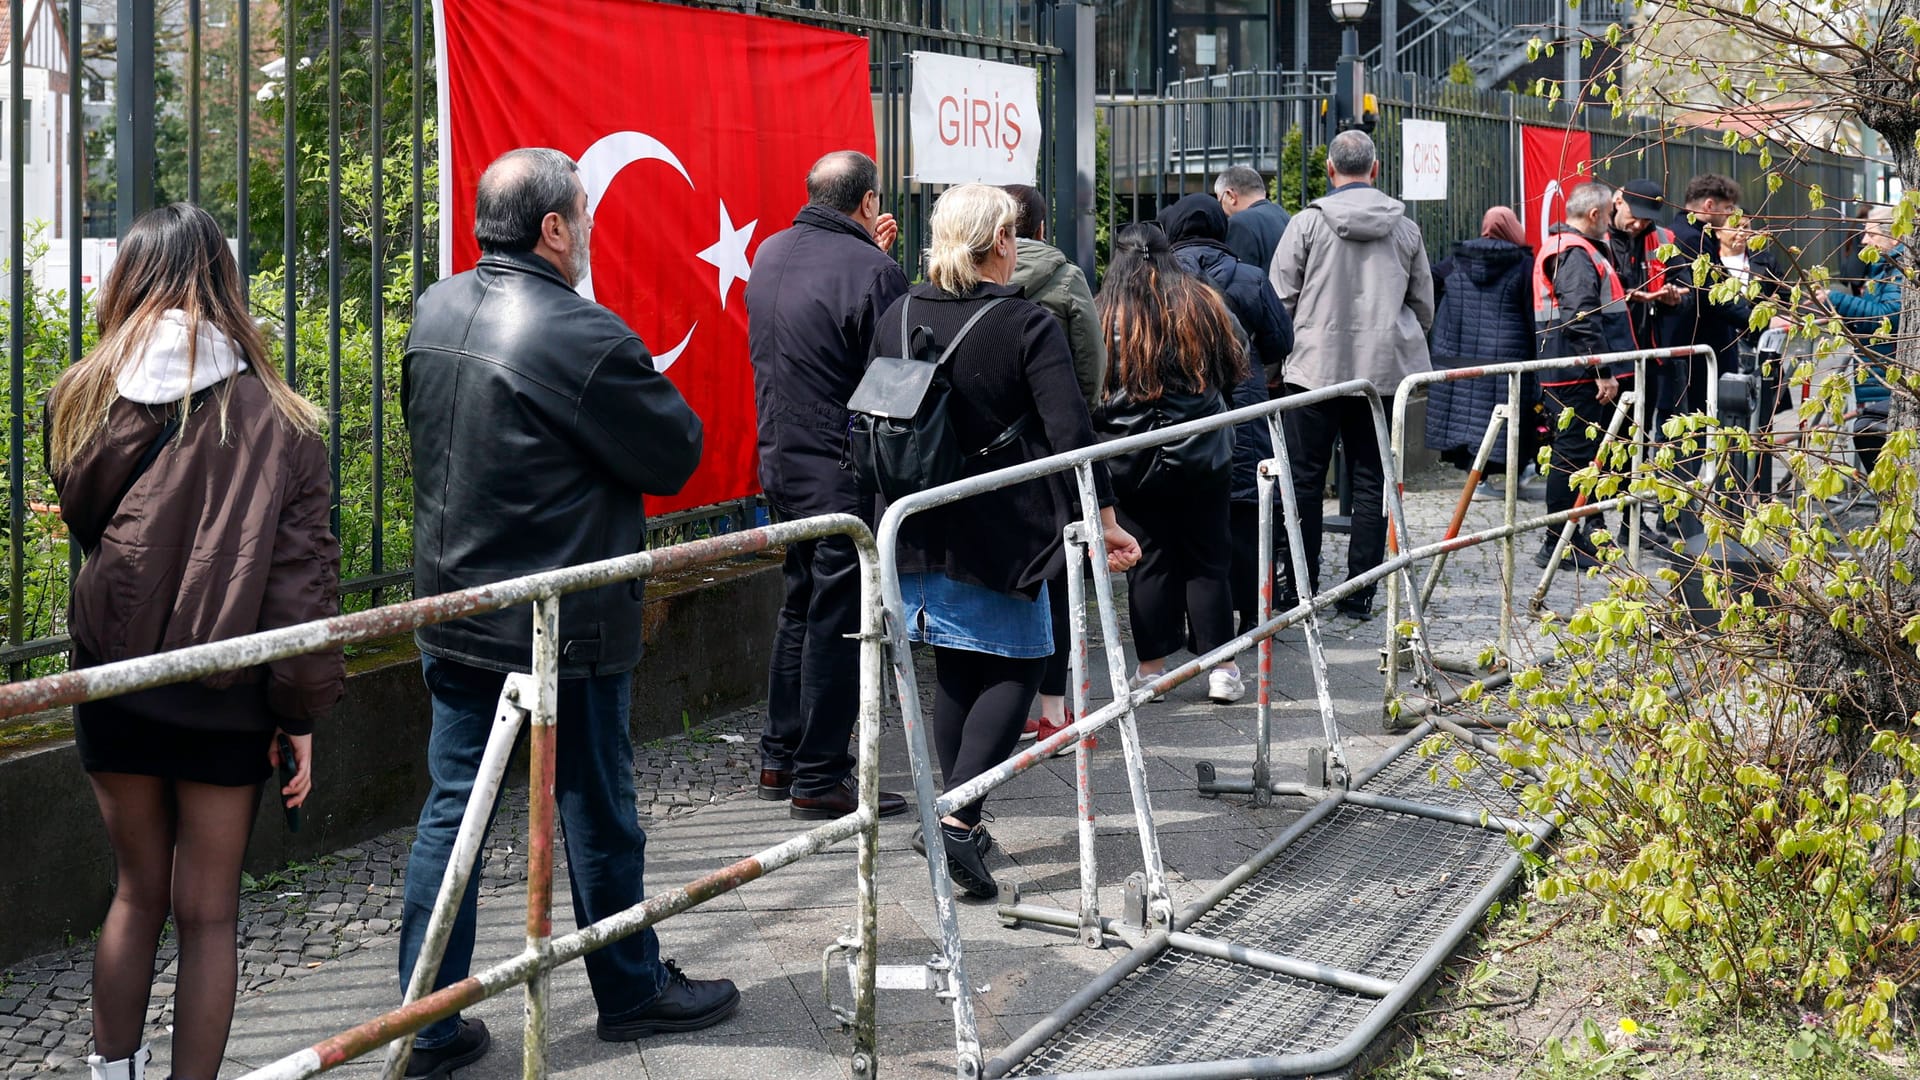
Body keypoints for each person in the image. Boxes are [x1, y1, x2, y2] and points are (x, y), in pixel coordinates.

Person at [399, 147, 730, 1073]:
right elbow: (676, 454)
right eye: (582, 216)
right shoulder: (582, 335)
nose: (588, 231)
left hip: (456, 606)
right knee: (596, 805)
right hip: (560, 619)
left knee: (453, 812)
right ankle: (629, 987)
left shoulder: (435, 308)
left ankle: (421, 1027)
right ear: (553, 228)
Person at [50, 204, 342, 1080]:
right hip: (228, 691)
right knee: (208, 914)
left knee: (134, 894)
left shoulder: (85, 396)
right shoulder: (282, 419)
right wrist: (300, 717)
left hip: (115, 678)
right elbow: (301, 596)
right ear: (227, 282)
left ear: (127, 280)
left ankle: (112, 1075)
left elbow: (83, 517)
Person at [872, 184, 1140, 900]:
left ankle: (957, 813)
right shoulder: (1025, 323)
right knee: (1021, 664)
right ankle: (955, 818)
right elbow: (1070, 434)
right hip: (1001, 526)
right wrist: (1108, 519)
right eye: (1014, 235)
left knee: (959, 668)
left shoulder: (898, 311)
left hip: (912, 521)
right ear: (998, 243)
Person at [745, 151, 910, 821]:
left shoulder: (769, 252)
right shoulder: (874, 270)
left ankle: (778, 757)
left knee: (800, 606)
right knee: (839, 620)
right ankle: (819, 775)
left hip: (780, 460)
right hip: (840, 469)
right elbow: (895, 382)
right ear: (868, 203)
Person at [1269, 129, 1434, 617]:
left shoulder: (1306, 225)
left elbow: (1279, 299)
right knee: (1370, 482)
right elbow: (1423, 303)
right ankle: (1361, 592)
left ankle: (1298, 587)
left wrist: (1279, 360)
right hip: (1382, 373)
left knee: (1302, 481)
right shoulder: (1405, 229)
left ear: (1329, 169)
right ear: (1376, 170)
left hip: (1313, 367)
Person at [1097, 223, 1248, 702]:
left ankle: (1151, 671)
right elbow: (1234, 363)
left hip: (1129, 457)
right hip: (1202, 450)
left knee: (1148, 560)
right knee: (1209, 558)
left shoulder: (1102, 313)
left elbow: (1087, 383)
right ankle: (1221, 668)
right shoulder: (1203, 301)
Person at [1155, 193, 1295, 634]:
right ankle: (1253, 612)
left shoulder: (1155, 280)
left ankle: (1189, 619)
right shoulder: (1249, 278)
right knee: (1246, 510)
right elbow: (1281, 341)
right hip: (1242, 401)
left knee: (1178, 514)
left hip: (1172, 407)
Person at [1001, 183, 1108, 746]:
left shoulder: (970, 277)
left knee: (1002, 575)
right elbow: (1090, 364)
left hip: (990, 450)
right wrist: (1074, 412)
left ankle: (1007, 705)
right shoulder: (1066, 279)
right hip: (1051, 445)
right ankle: (1054, 708)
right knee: (1060, 575)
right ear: (1040, 228)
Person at [1532, 181, 1637, 569]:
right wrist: (1602, 371)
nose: (1612, 221)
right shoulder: (1574, 252)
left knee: (1581, 457)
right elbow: (1581, 318)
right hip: (1575, 374)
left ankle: (1579, 537)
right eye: (1610, 213)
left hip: (1570, 371)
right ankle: (1557, 543)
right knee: (1573, 458)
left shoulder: (1572, 249)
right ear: (1595, 214)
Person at [1425, 206, 1538, 480]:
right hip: (1507, 355)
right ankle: (1514, 474)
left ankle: (1477, 478)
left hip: (1460, 355)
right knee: (1507, 417)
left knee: (1468, 419)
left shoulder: (1456, 260)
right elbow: (1531, 311)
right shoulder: (1523, 264)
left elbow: (1429, 282)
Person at [1660, 174, 1752, 422]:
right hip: (1696, 344)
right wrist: (1754, 318)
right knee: (1695, 421)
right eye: (1728, 209)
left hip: (1697, 343)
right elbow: (1712, 293)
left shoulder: (1694, 234)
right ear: (1709, 206)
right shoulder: (1692, 238)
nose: (1731, 216)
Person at [1825, 205, 1905, 473]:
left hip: (1890, 378)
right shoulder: (1884, 268)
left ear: (1894, 235)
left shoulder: (1899, 270)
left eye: (1870, 234)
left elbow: (1887, 317)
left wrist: (1835, 299)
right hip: (1881, 378)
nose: (1863, 241)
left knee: (1875, 439)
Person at [1215, 165, 1292, 274]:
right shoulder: (1283, 215)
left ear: (1231, 196)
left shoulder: (1238, 224)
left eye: (1220, 200)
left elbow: (1239, 280)